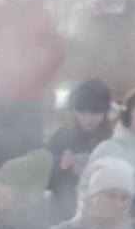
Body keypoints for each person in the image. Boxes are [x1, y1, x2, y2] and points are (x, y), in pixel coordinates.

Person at [0, 0, 66, 168]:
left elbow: (56, 53)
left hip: (30, 96)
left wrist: (40, 76)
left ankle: (29, 183)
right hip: (0, 93)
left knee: (29, 147)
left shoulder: (42, 17)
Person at [68, 0, 135, 105]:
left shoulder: (133, 28)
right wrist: (92, 16)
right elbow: (81, 56)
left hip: (124, 95)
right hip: (93, 94)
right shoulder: (92, 25)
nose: (113, 1)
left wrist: (118, 85)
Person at [43, 79, 115, 219]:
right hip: (63, 211)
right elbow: (44, 181)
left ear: (104, 114)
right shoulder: (61, 138)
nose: (88, 119)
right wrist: (61, 166)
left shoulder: (112, 141)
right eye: (83, 113)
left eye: (94, 114)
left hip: (101, 212)